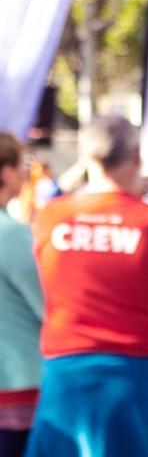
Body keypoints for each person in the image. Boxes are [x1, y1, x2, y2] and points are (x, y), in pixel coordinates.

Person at [27, 116, 148, 456]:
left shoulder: (51, 217)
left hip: (68, 375)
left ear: (85, 155)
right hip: (143, 378)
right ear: (136, 158)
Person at [0, 133, 40, 457]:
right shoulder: (12, 236)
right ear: (7, 172)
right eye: (22, 165)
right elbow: (50, 307)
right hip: (16, 387)